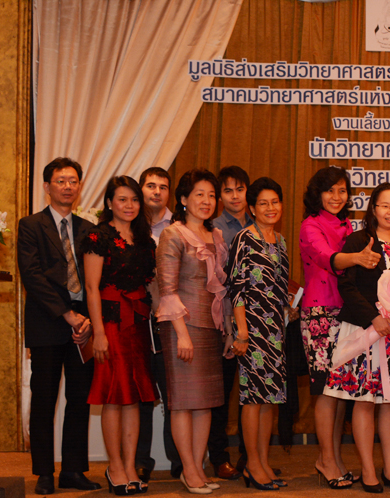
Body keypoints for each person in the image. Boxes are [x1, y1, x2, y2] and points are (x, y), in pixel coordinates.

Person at [324, 183, 390, 492]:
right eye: (385, 206)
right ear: (373, 209)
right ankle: (368, 470)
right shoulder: (359, 241)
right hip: (366, 332)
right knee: (365, 401)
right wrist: (374, 317)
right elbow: (347, 286)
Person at [18, 157, 100, 495]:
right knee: (44, 399)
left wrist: (89, 319)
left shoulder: (89, 229)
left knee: (80, 399)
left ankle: (73, 471)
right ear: (47, 186)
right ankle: (44, 473)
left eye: (73, 181)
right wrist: (67, 314)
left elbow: (95, 279)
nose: (68, 186)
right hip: (48, 321)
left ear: (80, 186)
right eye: (61, 181)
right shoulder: (31, 225)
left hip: (84, 325)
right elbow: (32, 276)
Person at [299, 166, 381, 489]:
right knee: (324, 390)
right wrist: (358, 258)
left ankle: (334, 459)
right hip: (319, 313)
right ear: (317, 194)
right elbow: (328, 258)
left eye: (342, 190)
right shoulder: (310, 225)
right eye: (330, 190)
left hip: (347, 313)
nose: (336, 197)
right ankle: (326, 459)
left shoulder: (348, 225)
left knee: (340, 390)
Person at [83, 176, 159, 494]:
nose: (129, 205)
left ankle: (129, 466)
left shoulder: (145, 240)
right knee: (114, 396)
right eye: (122, 199)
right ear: (109, 202)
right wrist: (98, 332)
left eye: (134, 199)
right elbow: (91, 288)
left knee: (134, 398)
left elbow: (151, 283)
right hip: (111, 323)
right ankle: (114, 467)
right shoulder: (97, 236)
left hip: (138, 323)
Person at [155, 168, 228, 494]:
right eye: (199, 194)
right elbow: (167, 289)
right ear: (184, 199)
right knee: (184, 402)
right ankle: (188, 468)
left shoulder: (217, 236)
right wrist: (182, 333)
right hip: (181, 327)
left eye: (211, 195)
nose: (207, 201)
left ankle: (197, 467)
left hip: (211, 327)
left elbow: (223, 288)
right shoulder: (173, 234)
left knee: (205, 402)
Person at [225, 177, 290, 491]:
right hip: (251, 330)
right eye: (263, 203)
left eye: (274, 202)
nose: (270, 208)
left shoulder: (281, 240)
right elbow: (236, 288)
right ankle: (252, 464)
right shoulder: (244, 238)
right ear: (251, 208)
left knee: (270, 400)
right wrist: (242, 332)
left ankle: (263, 462)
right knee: (252, 399)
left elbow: (280, 286)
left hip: (276, 329)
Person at [135, 167, 183, 482]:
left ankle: (179, 460)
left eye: (162, 187)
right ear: (140, 189)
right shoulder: (129, 225)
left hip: (172, 321)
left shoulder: (179, 226)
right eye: (150, 186)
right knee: (140, 394)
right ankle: (141, 461)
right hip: (137, 320)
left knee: (174, 394)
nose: (156, 192)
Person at [209, 166, 254, 481]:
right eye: (228, 190)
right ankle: (219, 457)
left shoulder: (259, 222)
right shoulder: (213, 227)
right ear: (219, 196)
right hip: (225, 320)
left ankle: (252, 458)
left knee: (255, 394)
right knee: (222, 394)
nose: (235, 196)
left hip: (258, 320)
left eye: (240, 189)